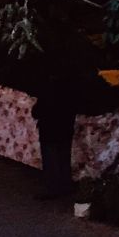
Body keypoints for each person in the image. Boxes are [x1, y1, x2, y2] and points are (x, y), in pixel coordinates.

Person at [32, 68, 79, 201]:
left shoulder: (47, 91)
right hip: (65, 129)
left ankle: (52, 187)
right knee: (64, 157)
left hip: (49, 130)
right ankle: (65, 185)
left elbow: (37, 111)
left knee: (51, 159)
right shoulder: (70, 91)